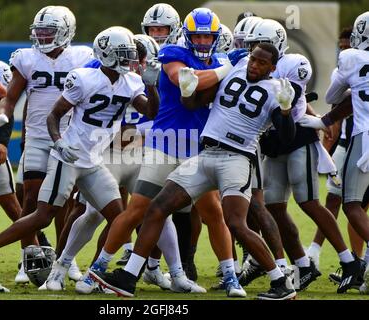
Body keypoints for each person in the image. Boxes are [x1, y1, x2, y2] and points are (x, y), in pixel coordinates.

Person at [91, 43, 298, 300]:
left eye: (262, 63)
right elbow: (194, 104)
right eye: (253, 59)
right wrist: (187, 91)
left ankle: (280, 282)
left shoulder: (278, 89)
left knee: (236, 223)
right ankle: (128, 277)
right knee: (156, 208)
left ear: (273, 68)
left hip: (237, 159)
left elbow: (287, 137)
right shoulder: (232, 72)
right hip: (206, 154)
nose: (254, 65)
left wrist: (287, 111)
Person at [0, 26, 159, 292]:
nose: (130, 60)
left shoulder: (132, 82)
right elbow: (53, 116)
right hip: (68, 155)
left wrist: (152, 84)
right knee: (44, 215)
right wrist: (59, 142)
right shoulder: (83, 78)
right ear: (108, 54)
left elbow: (150, 111)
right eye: (124, 54)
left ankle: (81, 274)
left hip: (93, 161)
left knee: (120, 218)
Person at [0, 6, 92, 283]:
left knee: (64, 202)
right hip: (36, 136)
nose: (43, 37)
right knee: (31, 198)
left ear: (66, 32)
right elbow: (10, 96)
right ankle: (29, 258)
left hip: (70, 138)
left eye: (49, 32)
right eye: (40, 32)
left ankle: (64, 259)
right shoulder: (27, 58)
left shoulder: (82, 57)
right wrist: (3, 113)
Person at [298, 11, 369, 294]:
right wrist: (325, 121)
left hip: (364, 136)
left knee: (351, 205)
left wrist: (322, 118)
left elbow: (333, 97)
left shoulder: (351, 58)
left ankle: (357, 267)